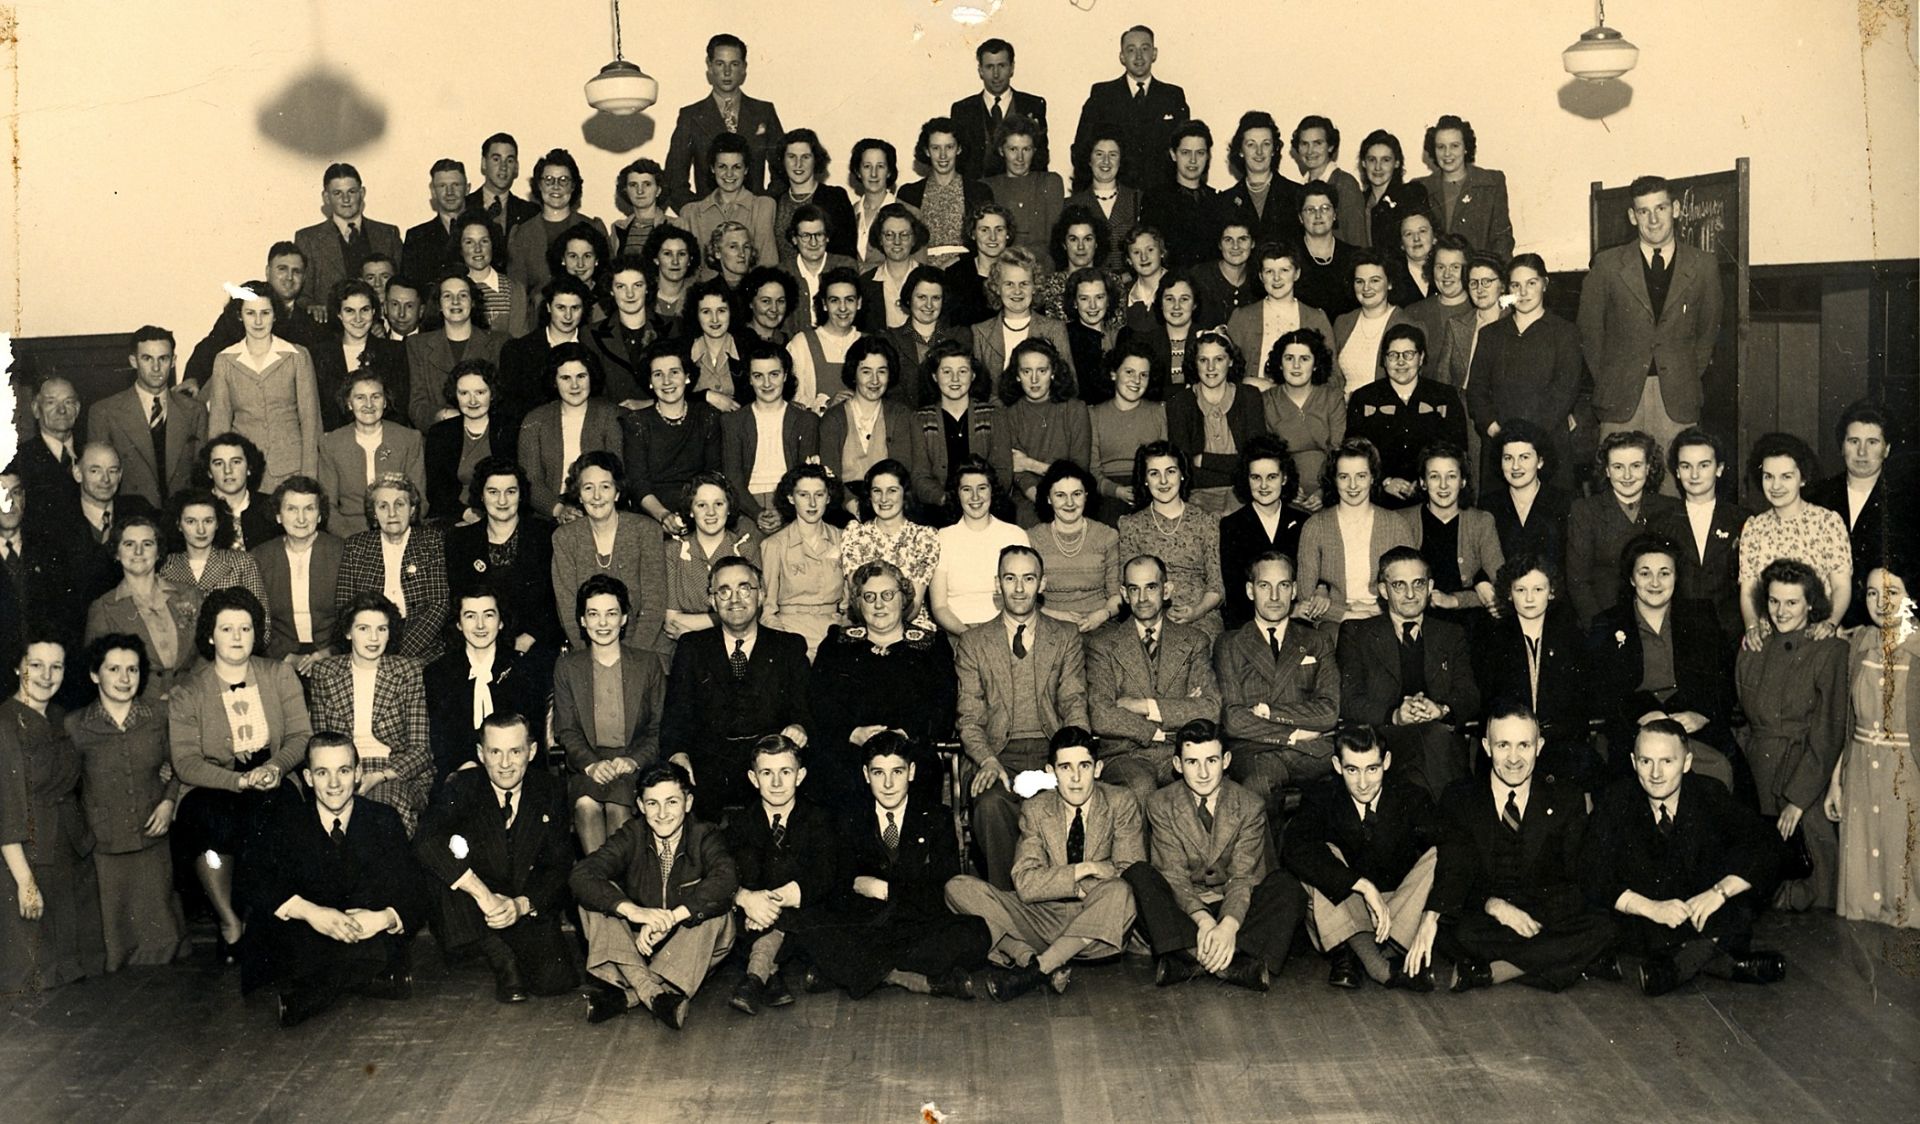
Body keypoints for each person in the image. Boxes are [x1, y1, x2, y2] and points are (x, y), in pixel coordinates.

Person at [1405, 704, 1616, 993]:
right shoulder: (1460, 797)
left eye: (1524, 745)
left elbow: (1576, 878)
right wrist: (1494, 905)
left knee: (1603, 924)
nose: (1514, 759)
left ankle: (1492, 972)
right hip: (1487, 915)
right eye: (1503, 745)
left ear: (1539, 746)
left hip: (1543, 914)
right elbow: (1455, 869)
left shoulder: (1566, 796)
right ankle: (1569, 961)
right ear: (1486, 746)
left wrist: (1537, 916)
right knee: (1456, 930)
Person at [1585, 721, 1785, 996]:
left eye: (1667, 761)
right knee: (1608, 921)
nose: (1655, 774)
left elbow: (1767, 843)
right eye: (1646, 761)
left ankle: (1679, 966)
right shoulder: (1616, 799)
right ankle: (1725, 961)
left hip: (1698, 910)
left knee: (1741, 899)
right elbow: (1592, 871)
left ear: (1687, 762)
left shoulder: (1709, 792)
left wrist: (1718, 892)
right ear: (1633, 762)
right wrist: (1652, 908)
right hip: (1647, 915)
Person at [238, 733, 424, 1026]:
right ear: (309, 778)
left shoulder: (382, 818)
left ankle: (315, 993)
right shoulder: (284, 820)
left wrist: (382, 918)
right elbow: (253, 881)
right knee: (290, 940)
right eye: (323, 773)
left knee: (378, 944)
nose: (334, 784)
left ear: (359, 774)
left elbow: (411, 887)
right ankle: (371, 979)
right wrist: (312, 913)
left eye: (344, 771)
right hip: (309, 932)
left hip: (361, 932)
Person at [788, 731, 990, 1000]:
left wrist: (886, 890)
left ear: (912, 772)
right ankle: (907, 978)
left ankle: (855, 971)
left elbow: (945, 888)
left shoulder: (936, 818)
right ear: (865, 774)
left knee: (976, 933)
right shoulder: (849, 819)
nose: (888, 783)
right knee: (808, 920)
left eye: (897, 771)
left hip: (917, 925)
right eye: (878, 773)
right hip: (867, 924)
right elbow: (841, 889)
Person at [944, 726, 1142, 999]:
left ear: (1098, 769)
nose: (1075, 778)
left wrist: (1062, 882)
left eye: (1084, 766)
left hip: (1098, 929)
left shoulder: (1121, 802)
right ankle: (1034, 959)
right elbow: (1025, 883)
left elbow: (1130, 872)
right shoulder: (1036, 809)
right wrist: (1084, 871)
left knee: (1121, 891)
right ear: (1051, 772)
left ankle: (1038, 967)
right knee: (958, 887)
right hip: (1043, 917)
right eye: (1065, 767)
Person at [169, 587, 311, 962]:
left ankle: (270, 921)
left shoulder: (279, 674)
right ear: (210, 635)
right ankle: (229, 920)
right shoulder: (188, 691)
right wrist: (238, 781)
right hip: (214, 782)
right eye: (227, 629)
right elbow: (185, 762)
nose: (237, 638)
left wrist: (275, 767)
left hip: (272, 774)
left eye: (245, 629)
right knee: (209, 821)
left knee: (282, 816)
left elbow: (301, 736)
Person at [1123, 719, 1304, 991]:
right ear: (1177, 765)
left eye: (1211, 760)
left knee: (1288, 887)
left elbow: (1243, 878)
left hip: (1236, 905)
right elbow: (1173, 876)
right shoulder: (1160, 803)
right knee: (1139, 875)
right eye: (1192, 762)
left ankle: (1189, 959)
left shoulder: (1249, 805)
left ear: (1226, 760)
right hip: (1186, 907)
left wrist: (1228, 927)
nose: (1204, 772)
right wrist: (1205, 922)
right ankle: (1233, 965)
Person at [415, 710, 577, 1003]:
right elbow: (425, 840)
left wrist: (521, 905)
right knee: (438, 868)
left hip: (520, 903)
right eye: (495, 752)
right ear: (481, 753)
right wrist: (482, 895)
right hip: (474, 902)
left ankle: (496, 946)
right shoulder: (461, 787)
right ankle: (499, 955)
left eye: (515, 751)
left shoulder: (550, 791)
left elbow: (559, 865)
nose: (504, 764)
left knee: (555, 980)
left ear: (532, 751)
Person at [953, 545, 1089, 890]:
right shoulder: (973, 641)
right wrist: (987, 760)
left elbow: (1074, 701)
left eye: (1028, 579)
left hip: (1050, 752)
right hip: (999, 754)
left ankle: (1057, 896)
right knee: (990, 803)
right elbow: (969, 717)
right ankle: (1007, 902)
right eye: (1009, 578)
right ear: (997, 584)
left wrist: (1070, 759)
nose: (1018, 588)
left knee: (1064, 796)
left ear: (1041, 584)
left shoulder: (1065, 636)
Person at [573, 760, 738, 1028]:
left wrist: (671, 918)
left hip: (685, 948)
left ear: (688, 802)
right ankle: (656, 996)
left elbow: (726, 878)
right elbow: (582, 874)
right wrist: (634, 911)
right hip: (638, 945)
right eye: (652, 803)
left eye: (672, 802)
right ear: (640, 806)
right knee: (594, 900)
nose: (662, 813)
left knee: (718, 914)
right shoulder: (633, 834)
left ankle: (630, 995)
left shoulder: (704, 834)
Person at [1577, 174, 1723, 459]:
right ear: (1633, 217)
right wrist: (1612, 378)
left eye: (1661, 208)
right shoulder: (1607, 265)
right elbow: (1589, 332)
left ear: (1677, 209)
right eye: (1644, 211)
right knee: (1620, 485)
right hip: (1620, 397)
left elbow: (1708, 332)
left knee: (1673, 488)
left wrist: (1685, 374)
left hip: (1678, 398)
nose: (1653, 219)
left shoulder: (1703, 265)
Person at [68, 634, 190, 970]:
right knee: (112, 950)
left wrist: (168, 803)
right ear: (95, 675)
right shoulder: (75, 726)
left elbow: (182, 766)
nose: (125, 679)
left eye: (133, 670)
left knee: (163, 943)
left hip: (153, 838)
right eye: (114, 669)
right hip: (104, 845)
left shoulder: (159, 716)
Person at [1283, 727, 1440, 989]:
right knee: (1321, 854)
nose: (1363, 783)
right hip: (1343, 907)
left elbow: (1452, 845)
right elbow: (1295, 848)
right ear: (1336, 765)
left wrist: (1431, 918)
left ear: (1386, 762)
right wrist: (1363, 886)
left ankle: (1356, 953)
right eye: (1352, 770)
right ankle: (1379, 965)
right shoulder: (1322, 796)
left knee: (1441, 854)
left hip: (1396, 911)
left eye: (1372, 769)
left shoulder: (1411, 795)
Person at [661, 557, 811, 818]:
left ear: (761, 594)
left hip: (770, 768)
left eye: (744, 588)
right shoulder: (692, 647)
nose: (735, 599)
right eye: (724, 591)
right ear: (712, 600)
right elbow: (676, 715)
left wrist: (799, 727)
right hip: (710, 769)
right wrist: (678, 754)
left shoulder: (788, 647)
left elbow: (806, 709)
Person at [1737, 559, 1848, 911]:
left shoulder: (1830, 650)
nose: (1780, 612)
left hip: (1803, 773)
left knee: (1812, 883)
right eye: (1773, 601)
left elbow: (1829, 732)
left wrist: (1799, 800)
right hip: (1756, 773)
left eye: (1792, 602)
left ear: (1811, 603)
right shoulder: (1752, 648)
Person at [1587, 534, 1737, 791]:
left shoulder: (1701, 617)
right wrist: (1643, 712)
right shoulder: (1607, 623)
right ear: (1632, 578)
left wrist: (1701, 714)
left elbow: (1724, 680)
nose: (1655, 583)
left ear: (1676, 577)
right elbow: (1600, 692)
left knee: (1722, 778)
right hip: (1636, 728)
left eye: (1664, 573)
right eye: (1645, 573)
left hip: (1693, 727)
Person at [0, 635, 105, 991]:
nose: (46, 675)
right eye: (36, 665)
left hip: (71, 852)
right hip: (27, 858)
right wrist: (25, 882)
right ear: (18, 667)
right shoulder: (5, 723)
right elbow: (6, 808)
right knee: (35, 976)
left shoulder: (62, 718)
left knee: (79, 974)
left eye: (56, 666)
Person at [809, 560, 957, 813]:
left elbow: (943, 707)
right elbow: (818, 703)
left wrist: (907, 734)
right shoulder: (837, 644)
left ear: (904, 598)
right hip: (852, 751)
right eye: (869, 596)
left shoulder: (931, 646)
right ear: (858, 603)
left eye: (888, 595)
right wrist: (852, 732)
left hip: (910, 751)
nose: (879, 604)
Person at [1338, 547, 1481, 798]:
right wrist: (1394, 715)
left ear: (1430, 586)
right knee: (1430, 748)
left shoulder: (1451, 634)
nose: (1410, 594)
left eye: (1418, 583)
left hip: (1439, 739)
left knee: (1433, 741)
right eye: (1399, 585)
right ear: (1383, 590)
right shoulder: (1357, 634)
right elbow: (1349, 701)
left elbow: (1469, 695)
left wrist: (1442, 709)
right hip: (1384, 740)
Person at [1088, 553, 1222, 812]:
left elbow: (1210, 708)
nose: (1142, 598)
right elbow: (1101, 715)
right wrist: (1163, 724)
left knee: (1200, 786)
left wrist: (1144, 706)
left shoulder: (1194, 640)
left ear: (1167, 590)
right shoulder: (1103, 645)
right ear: (1124, 594)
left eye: (1151, 587)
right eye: (1134, 589)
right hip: (1126, 753)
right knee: (1141, 787)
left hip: (1183, 750)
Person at [1828, 562, 1920, 928]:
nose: (1881, 602)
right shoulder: (1859, 643)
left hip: (1908, 773)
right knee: (1861, 909)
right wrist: (1837, 781)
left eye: (1892, 592)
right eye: (1872, 593)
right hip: (1862, 774)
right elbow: (1849, 724)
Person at [555, 574, 670, 858]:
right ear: (582, 621)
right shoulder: (568, 667)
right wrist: (591, 765)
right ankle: (598, 886)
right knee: (585, 805)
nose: (603, 623)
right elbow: (566, 730)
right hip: (588, 763)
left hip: (631, 762)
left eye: (611, 614)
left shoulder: (647, 663)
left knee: (619, 807)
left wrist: (633, 760)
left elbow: (659, 727)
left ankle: (615, 887)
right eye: (593, 614)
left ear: (624, 618)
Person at [723, 734, 839, 1015]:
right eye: (767, 773)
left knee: (806, 921)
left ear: (800, 776)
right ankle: (771, 979)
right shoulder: (739, 824)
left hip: (800, 912)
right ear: (753, 778)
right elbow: (724, 871)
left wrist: (770, 903)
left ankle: (755, 977)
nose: (776, 783)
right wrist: (746, 898)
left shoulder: (819, 819)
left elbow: (825, 874)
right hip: (755, 918)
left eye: (785, 772)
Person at [1216, 550, 1339, 809]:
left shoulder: (1316, 640)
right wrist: (1293, 734)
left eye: (1283, 586)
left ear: (1294, 590)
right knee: (1258, 785)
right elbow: (1234, 720)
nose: (1274, 597)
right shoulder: (1229, 643)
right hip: (1255, 751)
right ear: (1250, 591)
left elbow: (1328, 712)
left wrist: (1268, 711)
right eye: (1264, 586)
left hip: (1313, 752)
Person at [307, 592, 432, 836]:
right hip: (341, 768)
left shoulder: (408, 671)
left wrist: (379, 776)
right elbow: (321, 744)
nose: (374, 638)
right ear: (348, 632)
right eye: (364, 628)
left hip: (395, 771)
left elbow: (421, 751)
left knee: (385, 810)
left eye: (382, 629)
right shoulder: (325, 671)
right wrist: (344, 774)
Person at [1476, 556, 1594, 787]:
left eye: (1538, 589)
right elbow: (1490, 699)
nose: (1529, 598)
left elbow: (1580, 701)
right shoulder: (1492, 637)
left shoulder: (1571, 636)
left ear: (1551, 592)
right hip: (1510, 744)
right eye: (1520, 589)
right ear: (1509, 594)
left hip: (1560, 742)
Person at [1467, 254, 1581, 486]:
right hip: (1500, 447)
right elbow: (1476, 390)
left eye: (1532, 283)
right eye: (1516, 285)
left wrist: (1530, 441)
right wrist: (1495, 431)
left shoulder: (1565, 333)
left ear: (1545, 284)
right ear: (1507, 290)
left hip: (1547, 445)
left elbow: (1564, 393)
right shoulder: (1491, 335)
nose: (1524, 292)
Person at [203, 281, 323, 491]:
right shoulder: (224, 360)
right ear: (240, 315)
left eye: (265, 313)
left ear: (275, 315)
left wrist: (309, 478)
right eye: (250, 313)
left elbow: (311, 422)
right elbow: (219, 426)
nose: (258, 321)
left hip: (291, 469)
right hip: (244, 473)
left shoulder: (297, 356)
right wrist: (220, 478)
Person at [422, 585, 542, 791]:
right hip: (459, 774)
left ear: (501, 621)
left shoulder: (523, 669)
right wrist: (464, 766)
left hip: (515, 773)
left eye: (488, 615)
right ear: (458, 623)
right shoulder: (438, 673)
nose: (480, 625)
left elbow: (531, 733)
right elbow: (439, 739)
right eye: (470, 616)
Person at [1738, 432, 1853, 644]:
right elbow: (1748, 591)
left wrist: (1830, 622)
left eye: (1786, 477)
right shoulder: (1754, 528)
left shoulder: (1827, 522)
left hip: (1817, 638)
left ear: (1803, 478)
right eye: (1768, 476)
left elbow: (1841, 586)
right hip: (1768, 642)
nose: (1775, 486)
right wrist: (1752, 626)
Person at [1808, 404, 1913, 629]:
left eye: (1872, 442)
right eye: (1853, 441)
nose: (1862, 452)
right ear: (1842, 446)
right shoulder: (1816, 496)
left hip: (1882, 628)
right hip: (1823, 626)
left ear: (1887, 449)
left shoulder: (1909, 501)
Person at [1568, 432, 1683, 629]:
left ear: (1648, 468)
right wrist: (1601, 630)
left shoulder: (1670, 508)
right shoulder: (1586, 510)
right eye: (1618, 467)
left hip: (1659, 623)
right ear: (1606, 470)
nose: (1627, 476)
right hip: (1603, 621)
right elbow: (1578, 582)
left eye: (1636, 466)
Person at [1346, 327, 1468, 511]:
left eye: (1409, 354)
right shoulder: (1364, 398)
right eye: (1393, 355)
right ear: (1384, 360)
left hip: (1434, 497)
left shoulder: (1445, 397)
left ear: (1421, 358)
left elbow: (1458, 449)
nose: (1401, 362)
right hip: (1379, 499)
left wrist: (1425, 483)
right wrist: (1385, 482)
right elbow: (1354, 452)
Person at [1295, 438, 1416, 624]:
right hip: (1335, 622)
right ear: (1334, 479)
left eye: (1361, 476)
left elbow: (1412, 589)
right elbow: (1306, 597)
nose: (1352, 486)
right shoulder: (1315, 526)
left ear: (1373, 477)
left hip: (1387, 618)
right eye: (1344, 477)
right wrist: (1348, 615)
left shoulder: (1397, 525)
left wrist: (1376, 610)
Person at [83, 514, 201, 703]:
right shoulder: (104, 608)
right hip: (137, 708)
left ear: (159, 552)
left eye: (147, 544)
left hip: (193, 702)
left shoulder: (189, 595)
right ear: (116, 553)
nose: (139, 551)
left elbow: (206, 654)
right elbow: (100, 670)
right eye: (129, 544)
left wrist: (188, 690)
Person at [86, 327, 207, 510]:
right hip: (130, 518)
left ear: (173, 361)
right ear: (133, 361)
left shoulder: (194, 410)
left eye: (163, 359)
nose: (156, 368)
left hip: (181, 518)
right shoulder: (105, 412)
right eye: (147, 358)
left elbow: (200, 475)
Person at [663, 33, 784, 208]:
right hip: (709, 225)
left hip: (754, 220)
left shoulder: (763, 112)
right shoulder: (691, 116)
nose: (727, 72)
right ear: (710, 66)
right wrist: (698, 215)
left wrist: (765, 208)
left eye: (734, 64)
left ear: (744, 67)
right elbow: (674, 180)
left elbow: (782, 172)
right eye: (720, 64)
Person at [182, 243, 324, 390]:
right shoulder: (241, 311)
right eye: (282, 269)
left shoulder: (312, 322)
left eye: (296, 271)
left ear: (305, 277)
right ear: (268, 272)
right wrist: (193, 379)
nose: (289, 277)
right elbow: (209, 348)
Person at [1070, 25, 1189, 195]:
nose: (1139, 56)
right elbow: (1081, 150)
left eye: (1145, 48)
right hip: (1114, 196)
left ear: (1154, 54)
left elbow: (1182, 151)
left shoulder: (1173, 96)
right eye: (1131, 49)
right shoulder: (1102, 95)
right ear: (1122, 56)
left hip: (1161, 197)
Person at [622, 339, 723, 535]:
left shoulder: (708, 416)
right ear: (650, 382)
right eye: (658, 375)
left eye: (674, 372)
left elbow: (713, 475)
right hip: (652, 515)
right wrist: (663, 515)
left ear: (687, 376)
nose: (667, 381)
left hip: (700, 511)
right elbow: (638, 484)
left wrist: (696, 513)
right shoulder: (637, 422)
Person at [908, 342, 1014, 524]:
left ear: (973, 375)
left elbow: (1003, 471)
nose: (955, 379)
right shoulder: (920, 419)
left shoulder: (994, 415)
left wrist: (979, 499)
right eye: (946, 372)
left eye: (962, 371)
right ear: (934, 376)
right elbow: (920, 476)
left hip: (986, 507)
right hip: (939, 509)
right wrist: (945, 500)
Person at [516, 344, 623, 522]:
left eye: (581, 376)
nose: (575, 385)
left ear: (591, 377)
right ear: (554, 381)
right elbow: (530, 480)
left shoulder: (611, 415)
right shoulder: (535, 420)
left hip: (603, 510)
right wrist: (558, 510)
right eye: (565, 378)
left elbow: (618, 473)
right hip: (549, 514)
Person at [660, 472, 762, 658]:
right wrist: (727, 616)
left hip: (734, 646)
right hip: (683, 649)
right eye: (701, 505)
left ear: (729, 508)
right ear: (691, 510)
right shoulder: (674, 550)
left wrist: (693, 631)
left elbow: (751, 612)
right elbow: (672, 620)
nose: (711, 513)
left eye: (718, 504)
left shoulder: (745, 549)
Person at [1398, 442, 1503, 619]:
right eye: (1434, 477)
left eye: (1451, 476)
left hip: (1467, 618)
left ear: (1462, 481)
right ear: (1423, 482)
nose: (1443, 485)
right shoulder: (1403, 521)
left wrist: (1455, 600)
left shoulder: (1481, 522)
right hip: (1418, 617)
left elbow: (1501, 587)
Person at [1166, 330, 1265, 516]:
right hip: (1198, 493)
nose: (1211, 367)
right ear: (1195, 364)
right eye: (1203, 360)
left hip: (1244, 491)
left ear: (1231, 361)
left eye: (1219, 359)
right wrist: (1235, 464)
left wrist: (1204, 460)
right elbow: (1184, 467)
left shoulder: (1250, 397)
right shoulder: (1179, 403)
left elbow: (1257, 460)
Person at [317, 373, 427, 538]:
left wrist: (396, 533)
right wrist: (352, 539)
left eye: (376, 397)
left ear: (385, 402)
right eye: (360, 397)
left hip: (400, 531)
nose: (369, 404)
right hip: (349, 534)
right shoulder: (332, 443)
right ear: (349, 403)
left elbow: (419, 501)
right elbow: (327, 507)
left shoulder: (409, 439)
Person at [840, 459, 943, 630]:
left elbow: (914, 605)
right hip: (867, 626)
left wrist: (889, 632)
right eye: (877, 491)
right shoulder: (855, 534)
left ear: (905, 494)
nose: (884, 499)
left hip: (911, 626)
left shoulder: (924, 537)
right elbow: (858, 599)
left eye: (892, 491)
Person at [293, 163, 404, 320]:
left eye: (352, 192)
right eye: (337, 193)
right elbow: (301, 295)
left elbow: (401, 288)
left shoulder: (388, 234)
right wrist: (313, 308)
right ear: (326, 197)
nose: (346, 199)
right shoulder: (308, 239)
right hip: (330, 331)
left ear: (362, 193)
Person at [930, 457, 1030, 633]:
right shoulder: (943, 538)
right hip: (958, 630)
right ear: (957, 493)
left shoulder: (1015, 535)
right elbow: (939, 607)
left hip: (1006, 630)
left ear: (992, 491)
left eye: (982, 488)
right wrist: (968, 636)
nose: (975, 497)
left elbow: (1024, 599)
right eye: (967, 489)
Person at [1219, 436, 1307, 629]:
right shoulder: (1231, 526)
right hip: (1248, 622)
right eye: (1256, 478)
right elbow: (1234, 591)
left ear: (1284, 478)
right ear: (1246, 479)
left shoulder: (1303, 522)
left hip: (1298, 622)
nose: (1264, 486)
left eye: (1272, 477)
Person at [758, 464, 845, 660]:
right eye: (804, 495)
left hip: (833, 630)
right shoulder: (774, 545)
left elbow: (850, 604)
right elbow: (768, 611)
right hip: (791, 632)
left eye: (819, 495)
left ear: (828, 497)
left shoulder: (844, 539)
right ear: (791, 498)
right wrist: (786, 642)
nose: (812, 503)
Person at [1000, 339, 1091, 527]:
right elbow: (1019, 473)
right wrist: (1044, 501)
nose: (1034, 380)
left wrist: (1031, 464)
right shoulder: (1010, 414)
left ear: (1053, 373)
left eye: (1042, 371)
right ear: (1017, 375)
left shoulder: (1075, 409)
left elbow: (1079, 468)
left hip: (1072, 495)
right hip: (1030, 497)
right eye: (1026, 371)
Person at [1260, 327, 1345, 518]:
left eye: (1304, 359)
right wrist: (1287, 487)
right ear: (1280, 364)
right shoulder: (1267, 401)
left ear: (1315, 364)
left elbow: (1339, 450)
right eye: (1289, 358)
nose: (1296, 366)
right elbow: (1268, 455)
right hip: (1281, 494)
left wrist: (1325, 491)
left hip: (1333, 492)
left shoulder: (1332, 398)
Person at [1029, 460, 1121, 631]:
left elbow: (1117, 595)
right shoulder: (1033, 539)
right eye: (1060, 495)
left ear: (1086, 495)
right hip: (1048, 625)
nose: (1070, 503)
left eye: (1076, 494)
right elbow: (1024, 598)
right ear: (1049, 498)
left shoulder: (1108, 536)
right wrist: (1055, 615)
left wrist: (1102, 615)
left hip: (1100, 625)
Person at [506, 149, 609, 301]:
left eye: (563, 180)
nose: (556, 186)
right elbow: (517, 294)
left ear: (573, 186)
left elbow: (607, 282)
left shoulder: (593, 227)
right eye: (548, 179)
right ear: (539, 185)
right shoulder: (521, 234)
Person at [408, 276, 506, 434]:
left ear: (473, 302)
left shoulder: (499, 343)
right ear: (439, 304)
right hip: (438, 436)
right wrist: (443, 416)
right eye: (447, 296)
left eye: (463, 295)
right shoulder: (417, 345)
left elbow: (504, 401)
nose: (455, 301)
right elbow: (417, 406)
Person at [311, 280, 412, 433]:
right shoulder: (320, 354)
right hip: (334, 444)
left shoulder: (394, 352)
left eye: (364, 310)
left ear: (373, 312)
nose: (358, 318)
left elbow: (400, 408)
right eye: (349, 311)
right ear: (339, 314)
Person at [1228, 244, 1337, 384]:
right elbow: (1226, 369)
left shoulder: (1316, 318)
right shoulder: (1242, 317)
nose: (1277, 278)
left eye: (1284, 270)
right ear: (1261, 276)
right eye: (1269, 272)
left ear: (1296, 274)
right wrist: (1246, 383)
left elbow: (1333, 375)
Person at [424, 359, 517, 523]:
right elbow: (436, 490)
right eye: (464, 393)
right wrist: (466, 514)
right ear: (455, 394)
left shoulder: (510, 430)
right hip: (453, 515)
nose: (472, 401)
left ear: (492, 393)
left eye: (480, 393)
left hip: (503, 515)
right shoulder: (440, 433)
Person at [158, 488, 270, 621]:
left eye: (208, 521)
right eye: (191, 521)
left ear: (218, 523)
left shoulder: (243, 563)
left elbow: (263, 622)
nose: (201, 530)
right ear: (178, 525)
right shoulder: (165, 567)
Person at [1412, 116, 1514, 259]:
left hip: (1479, 275)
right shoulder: (1420, 188)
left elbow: (1502, 239)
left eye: (1455, 146)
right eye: (1441, 147)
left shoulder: (1491, 182)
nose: (1447, 153)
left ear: (1466, 148)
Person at [817, 337, 913, 488]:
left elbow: (902, 473)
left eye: (881, 371)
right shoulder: (834, 418)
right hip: (844, 502)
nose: (874, 381)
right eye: (866, 372)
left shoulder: (900, 415)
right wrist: (849, 503)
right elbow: (830, 478)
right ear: (854, 374)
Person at [972, 247, 1073, 390]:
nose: (1017, 291)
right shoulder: (980, 332)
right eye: (1009, 284)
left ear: (1035, 287)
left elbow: (1068, 386)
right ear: (996, 288)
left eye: (1024, 284)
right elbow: (979, 391)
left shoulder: (1054, 329)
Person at [1484, 420, 1573, 582]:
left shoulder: (1565, 503)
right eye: (1508, 458)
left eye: (1524, 457)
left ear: (1540, 461)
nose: (1515, 466)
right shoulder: (1489, 504)